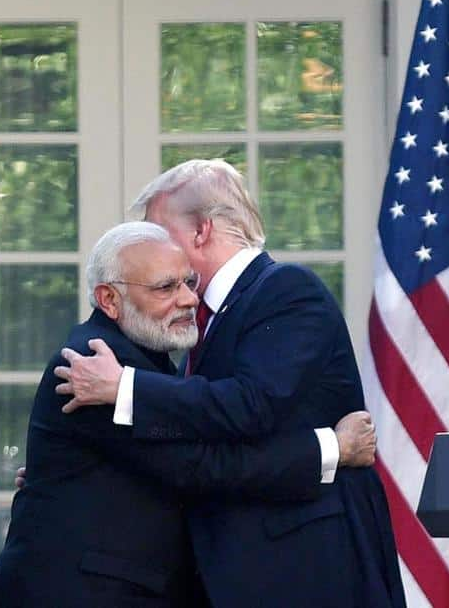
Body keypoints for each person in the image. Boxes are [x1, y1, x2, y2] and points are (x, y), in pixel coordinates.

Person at [56, 160, 407, 607]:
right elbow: (195, 447)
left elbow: (250, 404)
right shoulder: (201, 319)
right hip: (241, 572)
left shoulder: (286, 290)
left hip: (304, 569)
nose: (153, 248)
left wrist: (126, 387)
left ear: (201, 231)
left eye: (160, 233)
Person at [0, 222, 377, 607]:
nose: (189, 299)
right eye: (165, 288)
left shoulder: (150, 363)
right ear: (109, 300)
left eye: (189, 282)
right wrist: (333, 449)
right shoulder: (92, 367)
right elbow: (204, 466)